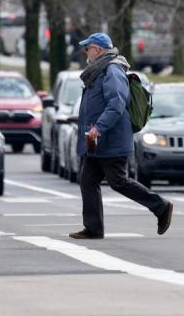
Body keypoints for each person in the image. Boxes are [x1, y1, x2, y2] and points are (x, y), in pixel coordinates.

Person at [69, 32, 173, 240]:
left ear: (98, 49)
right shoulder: (99, 71)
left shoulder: (112, 70)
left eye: (87, 48)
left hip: (109, 139)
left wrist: (99, 128)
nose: (85, 52)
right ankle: (93, 228)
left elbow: (116, 104)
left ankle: (160, 206)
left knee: (118, 181)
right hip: (97, 141)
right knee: (87, 180)